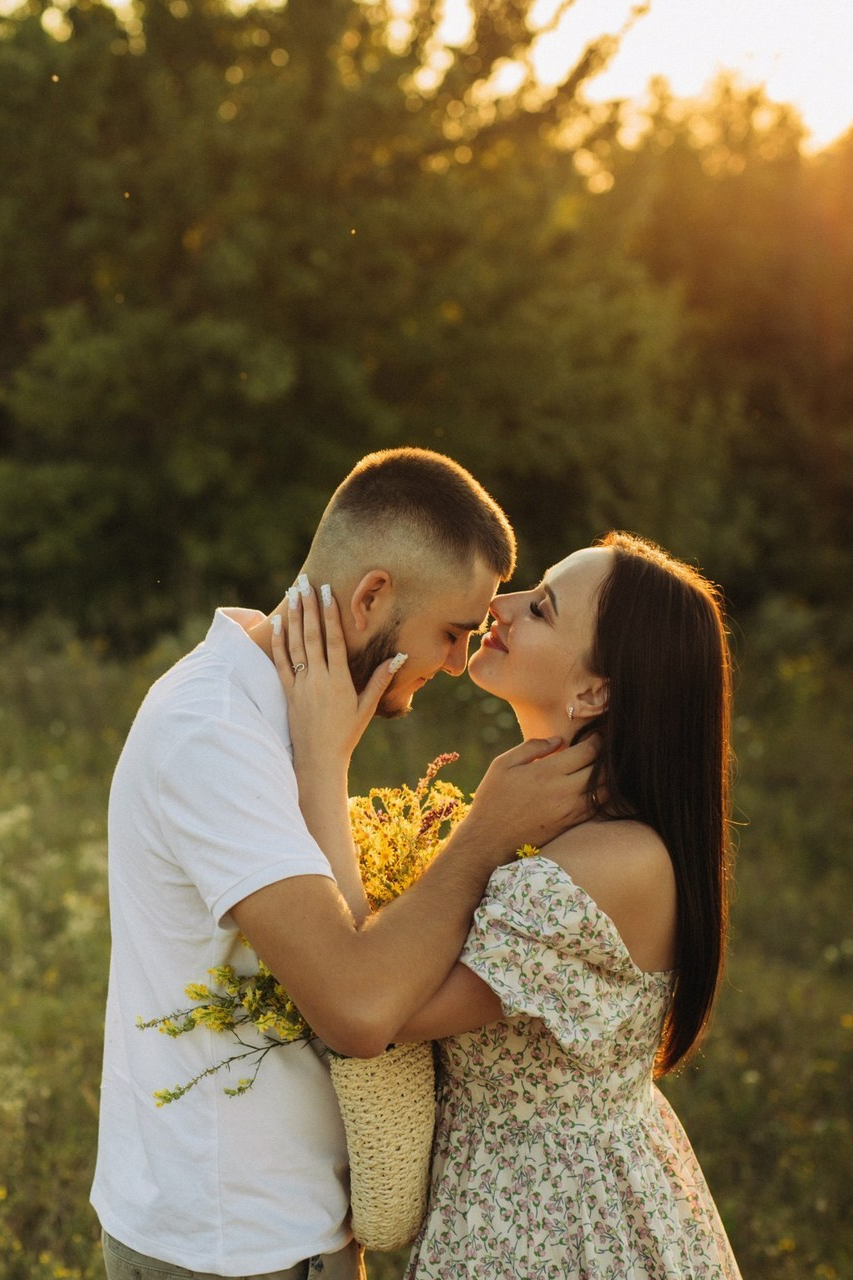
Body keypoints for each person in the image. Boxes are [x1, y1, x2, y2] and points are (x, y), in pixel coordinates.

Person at [91, 448, 599, 1280]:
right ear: (372, 597)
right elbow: (357, 1007)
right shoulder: (215, 733)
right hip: (230, 1243)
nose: (455, 662)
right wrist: (483, 835)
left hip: (287, 1228)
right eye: (451, 632)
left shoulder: (288, 714)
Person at [276, 530, 742, 1278]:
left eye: (545, 608)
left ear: (594, 692)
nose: (503, 603)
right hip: (501, 1200)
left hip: (560, 1223)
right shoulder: (545, 829)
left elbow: (372, 1005)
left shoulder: (613, 862)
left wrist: (325, 759)